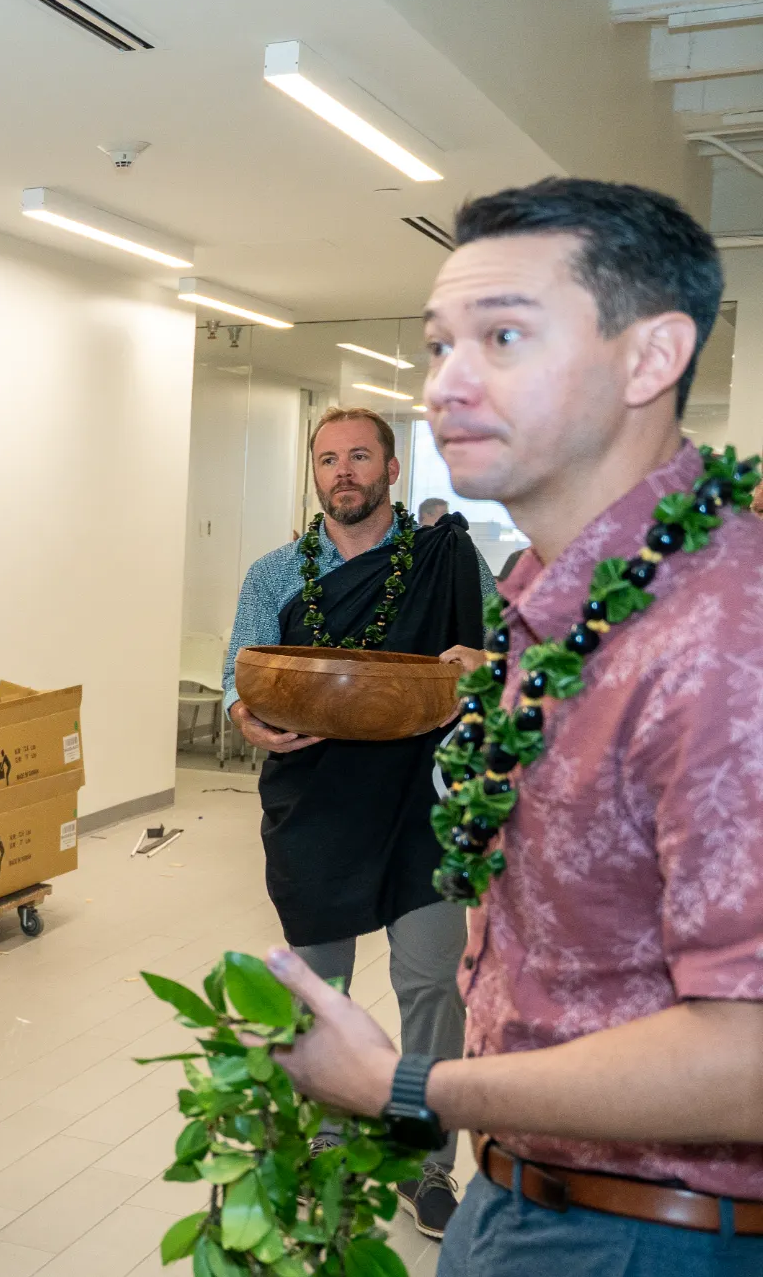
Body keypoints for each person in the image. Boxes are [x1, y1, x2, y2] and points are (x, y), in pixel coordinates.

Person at [263, 178, 763, 1275]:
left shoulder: (727, 634)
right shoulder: (557, 603)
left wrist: (408, 1085)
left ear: (652, 357)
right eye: (440, 345)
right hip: (526, 1195)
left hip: (651, 1235)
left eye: (502, 337)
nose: (446, 383)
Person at [223, 406, 496, 1238]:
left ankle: (427, 1162)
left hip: (424, 800)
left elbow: (512, 653)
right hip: (314, 802)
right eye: (328, 459)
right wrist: (246, 717)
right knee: (319, 986)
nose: (343, 472)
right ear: (315, 472)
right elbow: (239, 673)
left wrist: (486, 663)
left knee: (431, 983)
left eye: (360, 457)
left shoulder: (448, 561)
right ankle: (324, 1143)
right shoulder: (275, 573)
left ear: (391, 468)